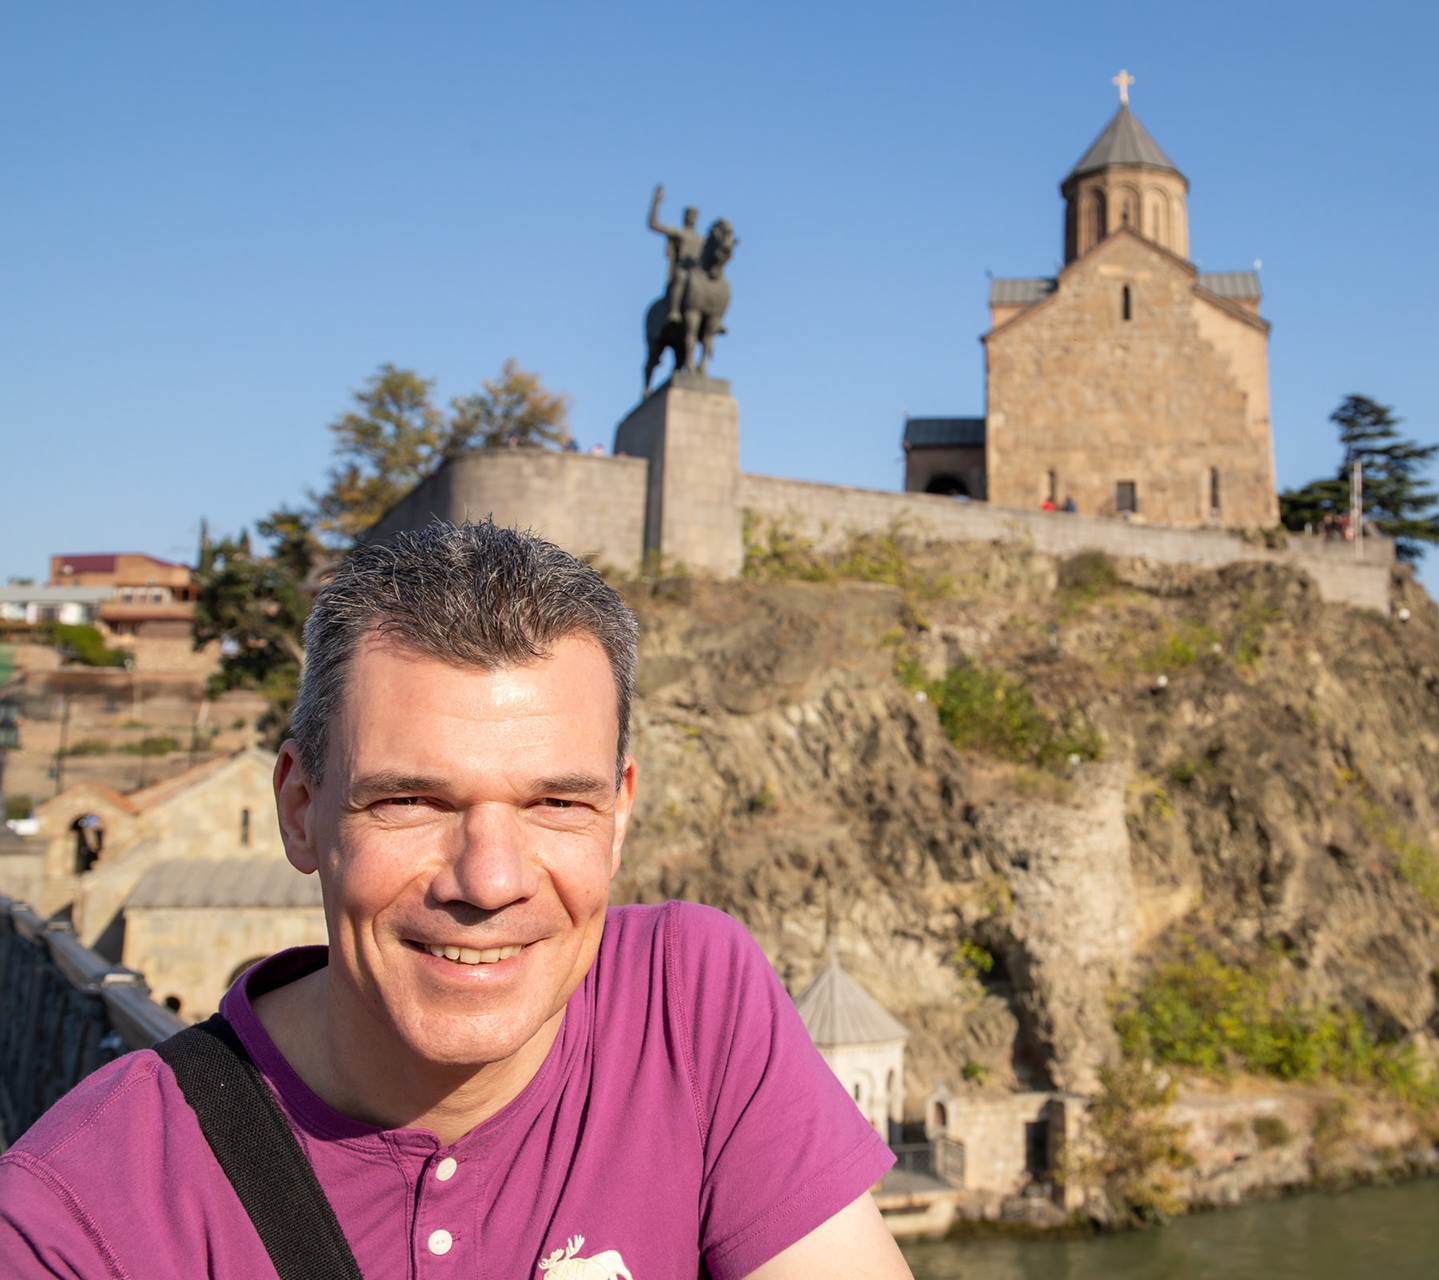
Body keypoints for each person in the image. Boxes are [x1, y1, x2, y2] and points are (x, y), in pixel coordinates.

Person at [0, 522, 911, 1280]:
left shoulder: (686, 999)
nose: (490, 881)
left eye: (557, 803)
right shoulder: (79, 1219)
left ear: (619, 813)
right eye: (412, 800)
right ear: (300, 810)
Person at [648, 184, 704, 327]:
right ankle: (674, 310)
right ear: (685, 217)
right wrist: (656, 202)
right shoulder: (679, 233)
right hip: (683, 269)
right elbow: (653, 224)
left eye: (694, 215)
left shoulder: (702, 240)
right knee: (680, 276)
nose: (691, 217)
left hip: (697, 273)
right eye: (689, 215)